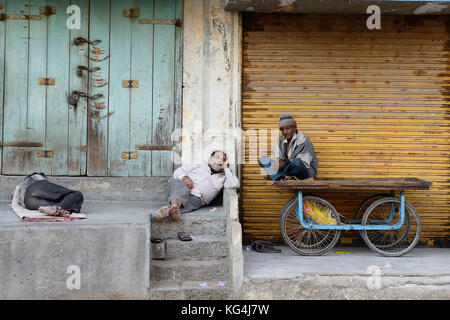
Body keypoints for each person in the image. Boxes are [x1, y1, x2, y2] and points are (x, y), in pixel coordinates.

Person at [152, 151, 240, 221]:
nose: (220, 160)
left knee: (189, 203)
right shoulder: (200, 164)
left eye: (223, 159)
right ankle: (175, 208)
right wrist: (185, 178)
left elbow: (234, 184)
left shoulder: (225, 176)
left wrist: (227, 169)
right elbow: (178, 171)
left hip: (198, 197)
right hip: (182, 187)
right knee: (176, 183)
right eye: (217, 157)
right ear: (210, 159)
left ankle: (166, 211)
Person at [259, 115, 318, 181]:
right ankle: (282, 177)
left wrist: (285, 163)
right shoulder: (280, 140)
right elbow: (280, 158)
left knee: (297, 162)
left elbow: (303, 163)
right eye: (282, 129)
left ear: (295, 128)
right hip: (287, 169)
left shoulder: (304, 141)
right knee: (263, 160)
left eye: (287, 129)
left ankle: (279, 176)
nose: (284, 132)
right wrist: (278, 163)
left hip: (305, 172)